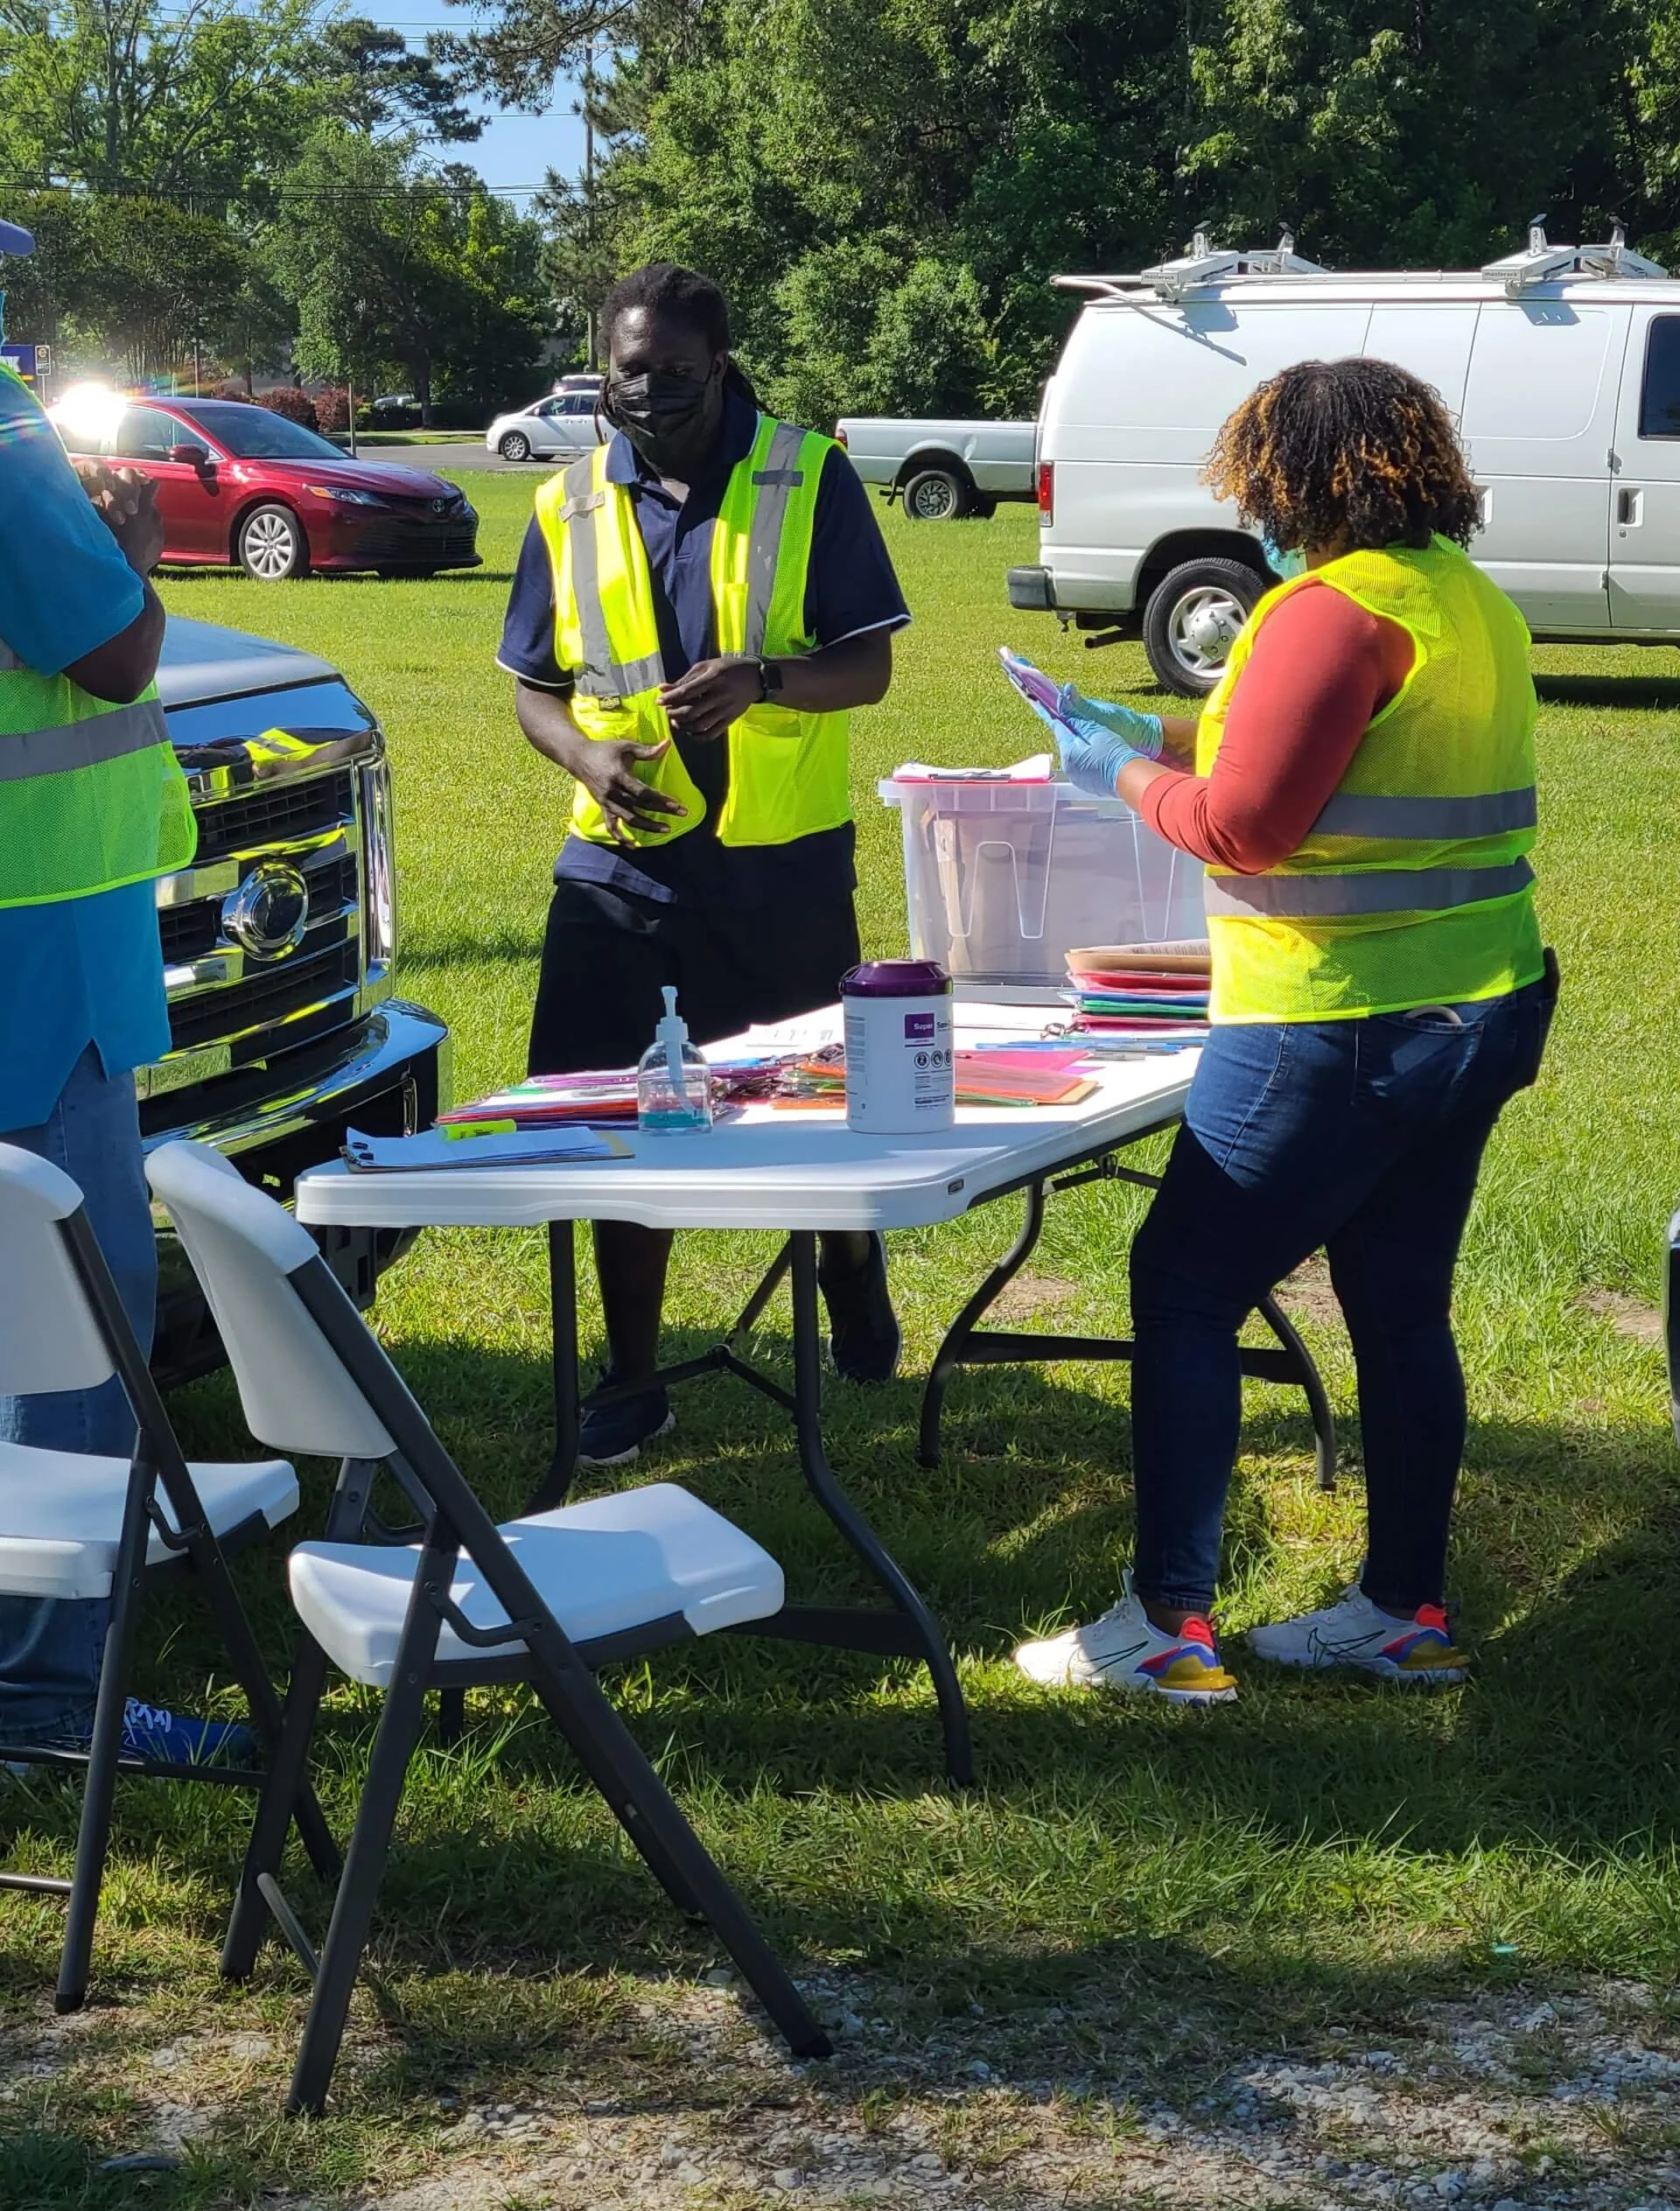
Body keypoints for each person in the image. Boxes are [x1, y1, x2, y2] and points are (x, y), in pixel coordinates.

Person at [1012, 357, 1555, 1700]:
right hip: (1474, 1006)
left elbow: (1247, 822)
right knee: (1398, 1305)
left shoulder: (1324, 609)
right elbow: (1310, 750)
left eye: (1252, 477)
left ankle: (1165, 1626)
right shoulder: (1460, 599)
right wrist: (1151, 727)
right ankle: (1402, 1608)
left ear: (1291, 477)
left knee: (1187, 1285)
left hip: (1339, 1020)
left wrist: (1115, 773)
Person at [499, 262, 911, 1464]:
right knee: (606, 1119)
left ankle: (848, 1258)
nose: (649, 391)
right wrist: (582, 756)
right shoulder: (567, 503)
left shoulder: (807, 476)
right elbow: (532, 685)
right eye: (629, 370)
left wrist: (765, 679)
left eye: (674, 371)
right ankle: (632, 1373)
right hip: (618, 872)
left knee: (812, 1113)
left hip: (776, 872)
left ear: (721, 364)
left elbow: (869, 666)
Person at [0, 218, 250, 1761]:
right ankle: (45, 1692)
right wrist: (135, 553)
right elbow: (111, 651)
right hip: (35, 936)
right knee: (68, 1320)